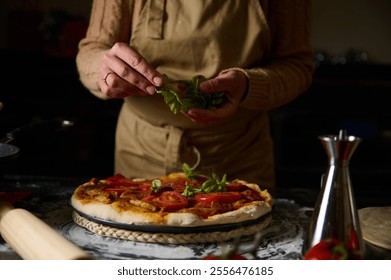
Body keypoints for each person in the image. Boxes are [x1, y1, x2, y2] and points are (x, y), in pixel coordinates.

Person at [76, 0, 314, 191]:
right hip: (141, 152)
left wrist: (249, 86)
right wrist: (103, 70)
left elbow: (297, 65)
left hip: (237, 154)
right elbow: (91, 51)